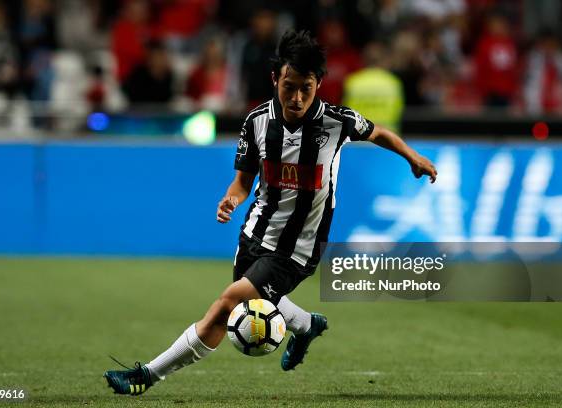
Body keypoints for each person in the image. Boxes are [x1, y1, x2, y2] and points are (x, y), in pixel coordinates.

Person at [104, 30, 437, 396]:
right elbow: (242, 183)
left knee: (228, 304)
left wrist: (414, 158)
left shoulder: (336, 122)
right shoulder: (256, 122)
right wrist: (231, 199)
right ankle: (306, 325)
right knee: (256, 301)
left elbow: (379, 133)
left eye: (306, 89)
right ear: (275, 78)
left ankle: (146, 376)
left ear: (319, 84)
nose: (296, 98)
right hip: (255, 233)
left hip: (298, 249)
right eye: (289, 86)